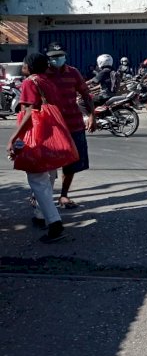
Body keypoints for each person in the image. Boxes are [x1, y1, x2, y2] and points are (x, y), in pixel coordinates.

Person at [6, 53, 67, 242]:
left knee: (37, 181)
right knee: (48, 177)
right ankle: (41, 215)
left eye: (24, 64)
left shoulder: (29, 83)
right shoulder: (47, 81)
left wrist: (14, 138)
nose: (23, 66)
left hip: (36, 135)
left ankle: (54, 224)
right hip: (50, 135)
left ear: (29, 66)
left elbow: (29, 113)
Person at [45, 42, 96, 209]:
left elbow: (86, 94)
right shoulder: (42, 74)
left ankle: (63, 195)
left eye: (60, 56)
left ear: (65, 56)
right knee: (47, 162)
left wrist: (91, 116)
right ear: (48, 57)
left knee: (72, 162)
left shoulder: (73, 72)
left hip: (73, 123)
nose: (57, 59)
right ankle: (41, 195)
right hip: (50, 125)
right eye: (53, 57)